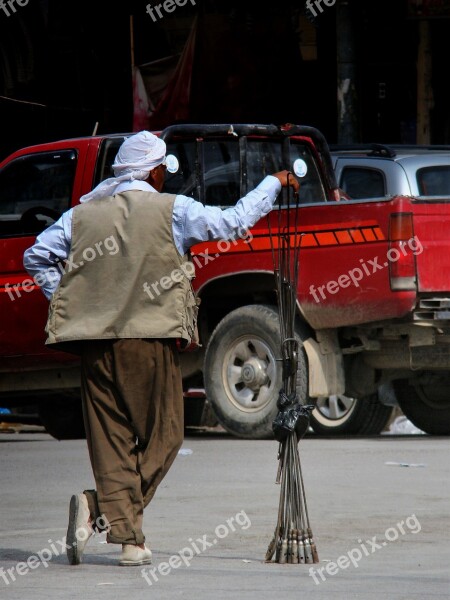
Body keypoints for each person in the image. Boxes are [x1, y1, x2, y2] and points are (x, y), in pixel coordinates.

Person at [23, 130, 299, 567]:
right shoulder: (174, 210)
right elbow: (232, 223)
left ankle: (130, 540)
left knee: (110, 440)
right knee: (165, 436)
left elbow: (35, 256)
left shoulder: (82, 216)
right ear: (154, 172)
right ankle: (99, 509)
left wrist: (72, 302)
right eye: (161, 173)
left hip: (94, 345)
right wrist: (274, 184)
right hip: (147, 340)